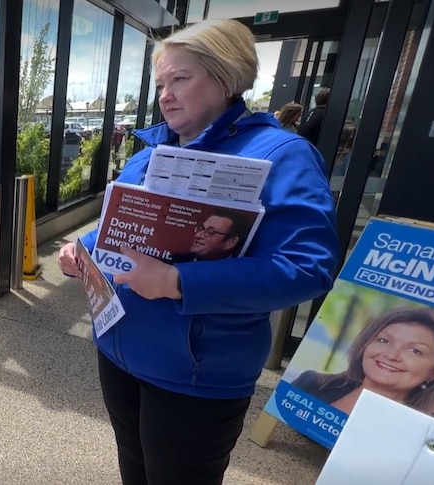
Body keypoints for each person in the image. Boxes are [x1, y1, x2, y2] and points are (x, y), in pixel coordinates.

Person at [57, 19, 339, 485]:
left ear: (226, 76)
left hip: (195, 374)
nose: (165, 94)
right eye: (162, 83)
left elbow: (307, 267)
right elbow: (119, 228)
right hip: (119, 348)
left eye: (180, 79)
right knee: (134, 465)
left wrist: (178, 282)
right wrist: (78, 250)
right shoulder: (150, 151)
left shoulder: (283, 154)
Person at [293, 307, 434, 417]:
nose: (392, 355)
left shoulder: (415, 432)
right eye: (384, 341)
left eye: (415, 351)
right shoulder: (311, 383)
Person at [170, 209, 251, 263]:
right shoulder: (175, 261)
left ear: (230, 243)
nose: (198, 235)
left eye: (210, 232)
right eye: (201, 228)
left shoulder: (240, 274)